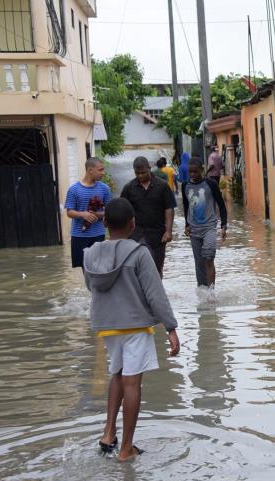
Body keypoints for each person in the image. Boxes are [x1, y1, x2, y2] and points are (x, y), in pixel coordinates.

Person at [83, 198, 180, 462]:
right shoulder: (139, 253)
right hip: (136, 325)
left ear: (104, 223)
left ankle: (108, 432)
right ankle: (126, 448)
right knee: (132, 383)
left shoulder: (90, 253)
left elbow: (91, 286)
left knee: (117, 373)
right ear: (132, 223)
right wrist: (170, 327)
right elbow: (155, 293)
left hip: (107, 326)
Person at [119, 156, 176, 276]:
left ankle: (156, 293)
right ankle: (139, 294)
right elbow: (123, 210)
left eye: (143, 172)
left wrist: (169, 231)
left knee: (156, 267)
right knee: (136, 267)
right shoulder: (129, 188)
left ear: (149, 169)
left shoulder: (162, 186)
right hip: (136, 234)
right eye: (137, 173)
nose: (140, 176)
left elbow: (169, 208)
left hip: (158, 234)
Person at [182, 157, 227, 289]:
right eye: (190, 172)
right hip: (194, 230)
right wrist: (186, 225)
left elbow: (222, 205)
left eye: (195, 172)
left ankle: (211, 291)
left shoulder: (211, 184)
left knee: (209, 258)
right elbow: (186, 206)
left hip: (209, 227)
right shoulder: (185, 185)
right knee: (199, 262)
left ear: (202, 170)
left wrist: (224, 225)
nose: (192, 175)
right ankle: (202, 290)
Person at [64, 157, 112, 268]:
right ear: (90, 170)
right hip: (79, 235)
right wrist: (83, 215)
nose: (103, 173)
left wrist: (96, 215)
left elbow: (109, 211)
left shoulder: (105, 189)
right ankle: (89, 286)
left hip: (99, 234)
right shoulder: (74, 189)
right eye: (100, 170)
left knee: (99, 267)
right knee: (84, 267)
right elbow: (69, 212)